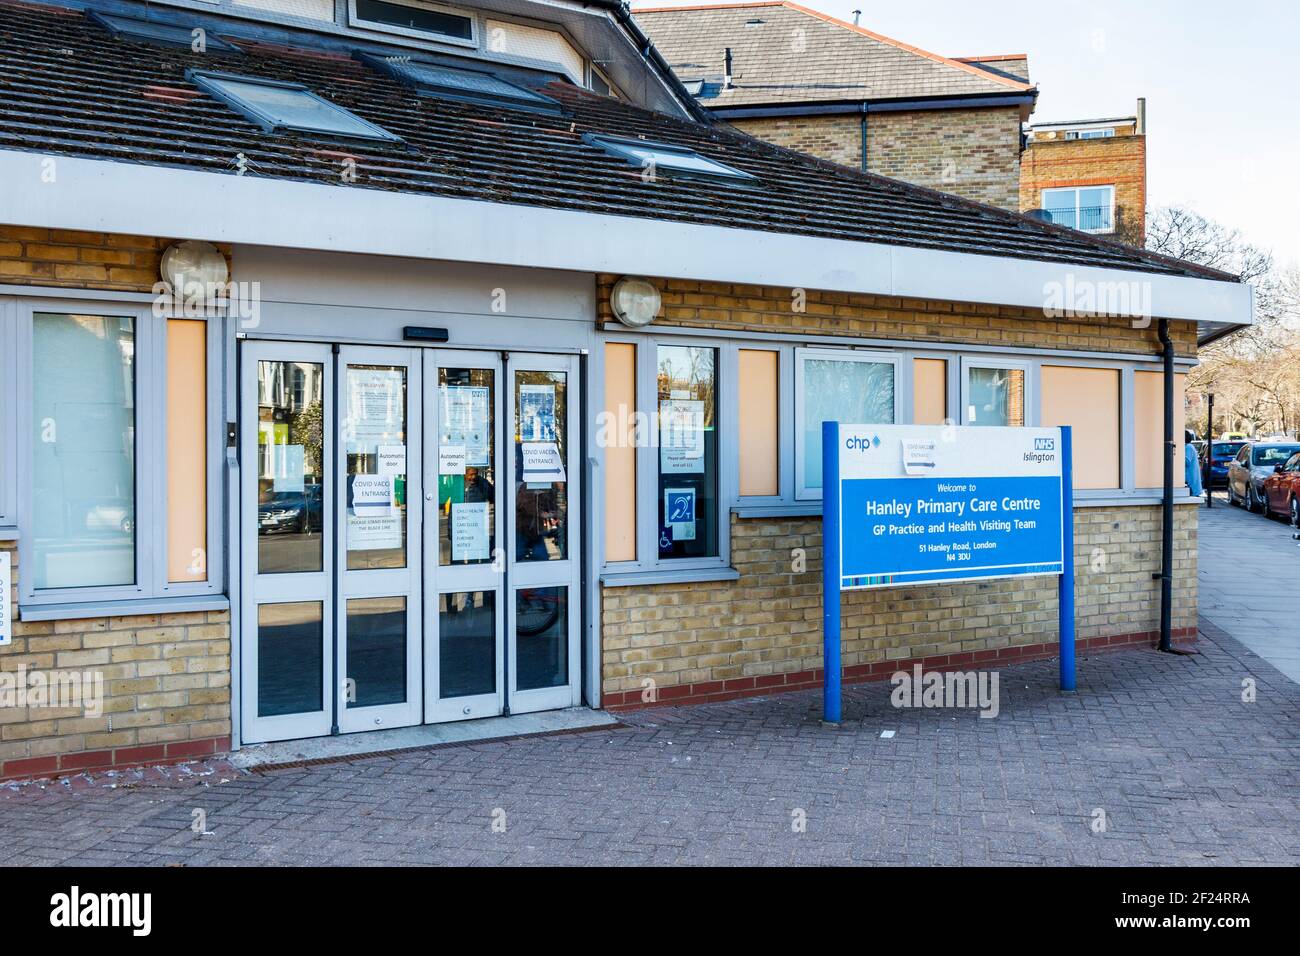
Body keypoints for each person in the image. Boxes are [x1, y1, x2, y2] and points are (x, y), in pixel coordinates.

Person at [1185, 429, 1204, 497]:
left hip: (1191, 483)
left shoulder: (1188, 447)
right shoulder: (1188, 446)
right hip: (1190, 482)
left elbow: (1186, 462)